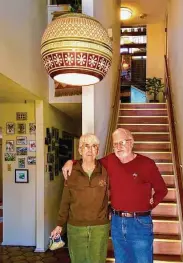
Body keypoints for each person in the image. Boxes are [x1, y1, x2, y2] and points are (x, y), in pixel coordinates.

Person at [62, 128, 168, 263]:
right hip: (117, 222)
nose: (119, 147)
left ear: (132, 142)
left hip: (139, 223)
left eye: (122, 142)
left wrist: (150, 204)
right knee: (121, 260)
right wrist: (71, 162)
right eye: (115, 144)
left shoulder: (147, 164)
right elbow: (90, 160)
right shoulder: (110, 161)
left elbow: (162, 190)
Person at [51, 133, 110, 263]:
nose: (90, 150)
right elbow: (65, 200)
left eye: (94, 146)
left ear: (98, 150)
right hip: (76, 227)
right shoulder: (71, 172)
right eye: (86, 146)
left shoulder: (106, 171)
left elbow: (113, 194)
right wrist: (60, 224)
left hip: (99, 228)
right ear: (80, 150)